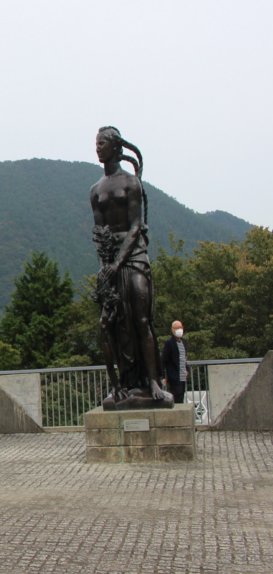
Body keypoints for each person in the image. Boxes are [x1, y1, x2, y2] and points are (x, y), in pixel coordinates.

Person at [90, 126, 172, 409]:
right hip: (111, 261)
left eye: (102, 143)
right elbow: (100, 234)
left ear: (115, 146)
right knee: (116, 325)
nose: (98, 148)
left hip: (134, 256)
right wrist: (105, 267)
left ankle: (152, 381)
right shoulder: (95, 190)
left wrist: (118, 262)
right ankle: (124, 384)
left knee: (140, 320)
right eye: (96, 144)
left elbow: (136, 226)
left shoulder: (131, 183)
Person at [162, 320, 189, 404]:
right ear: (172, 329)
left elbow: (184, 358)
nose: (179, 329)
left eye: (181, 327)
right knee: (177, 398)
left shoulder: (183, 342)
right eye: (177, 328)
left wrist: (186, 369)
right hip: (174, 376)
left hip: (182, 376)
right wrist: (163, 377)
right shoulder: (169, 343)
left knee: (181, 396)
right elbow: (163, 360)